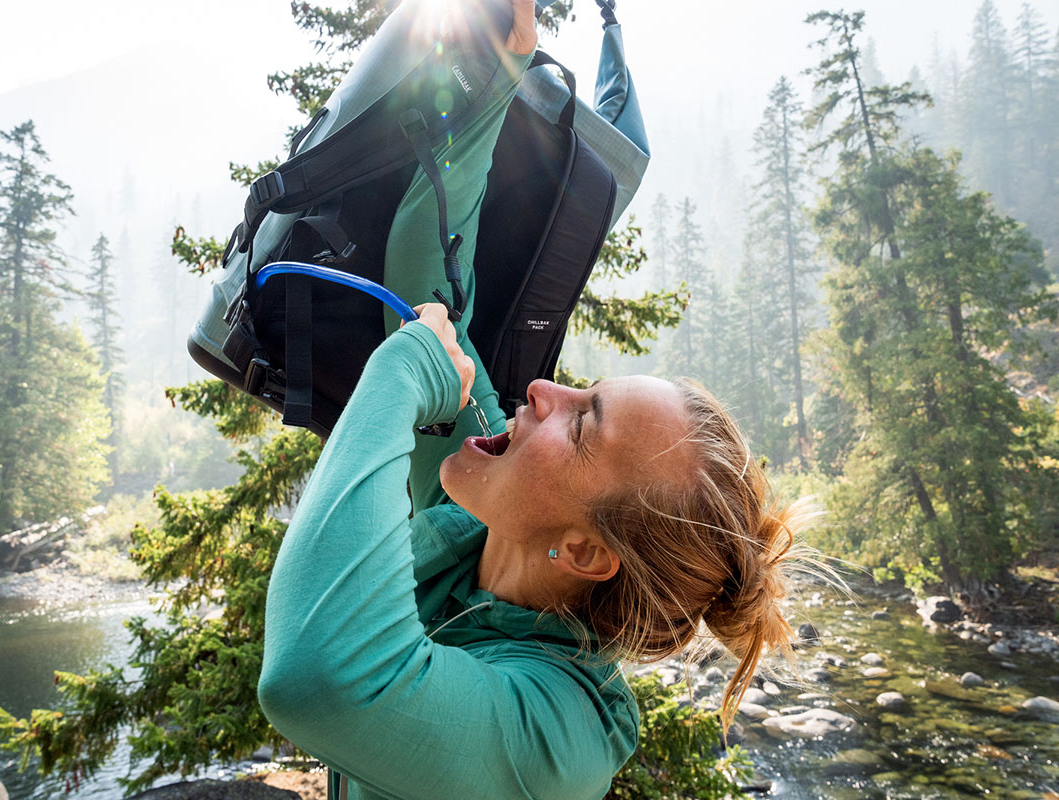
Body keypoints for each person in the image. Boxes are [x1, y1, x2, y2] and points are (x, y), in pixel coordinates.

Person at [258, 2, 815, 798]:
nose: (547, 390)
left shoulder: (559, 735)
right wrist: (498, 78)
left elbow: (319, 680)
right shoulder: (472, 527)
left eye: (585, 424)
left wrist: (395, 378)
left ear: (586, 553)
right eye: (584, 391)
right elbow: (425, 282)